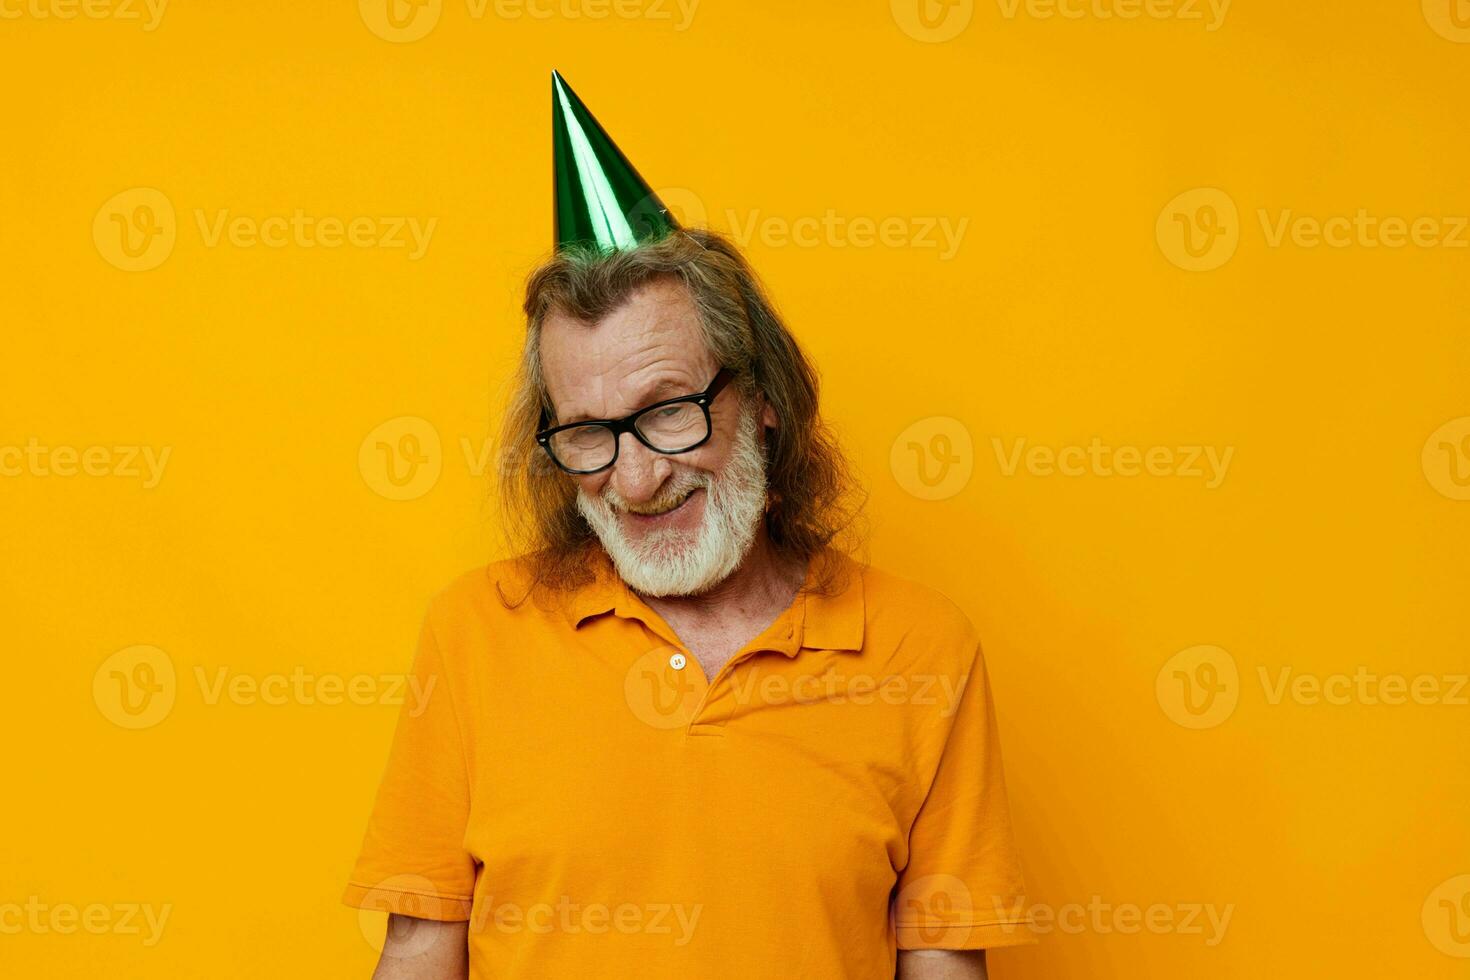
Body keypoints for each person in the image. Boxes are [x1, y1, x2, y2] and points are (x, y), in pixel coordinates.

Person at [344, 70, 1034, 980]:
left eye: (669, 411)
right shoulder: (474, 634)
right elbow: (422, 950)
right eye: (588, 432)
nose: (635, 477)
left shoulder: (922, 650)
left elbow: (943, 966)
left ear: (764, 400)